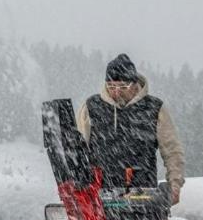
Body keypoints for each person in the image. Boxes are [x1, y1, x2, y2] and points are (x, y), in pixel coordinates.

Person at [77, 53, 185, 205]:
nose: (116, 92)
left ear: (135, 85)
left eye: (123, 86)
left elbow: (172, 151)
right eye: (111, 86)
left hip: (144, 198)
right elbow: (77, 151)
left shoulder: (154, 108)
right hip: (100, 199)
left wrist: (175, 184)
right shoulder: (91, 107)